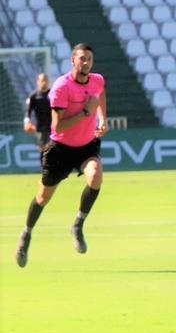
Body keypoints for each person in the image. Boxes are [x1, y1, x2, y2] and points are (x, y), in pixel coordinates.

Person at [15, 44, 108, 268]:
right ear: (72, 60)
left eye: (89, 59)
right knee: (42, 198)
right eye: (82, 59)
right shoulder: (61, 87)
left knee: (95, 176)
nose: (86, 63)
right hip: (60, 149)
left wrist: (102, 118)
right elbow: (60, 126)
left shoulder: (97, 80)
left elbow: (100, 94)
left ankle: (78, 224)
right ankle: (26, 234)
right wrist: (87, 111)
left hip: (86, 146)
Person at [23, 73, 52, 147]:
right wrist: (27, 121)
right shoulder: (33, 96)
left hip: (52, 128)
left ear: (48, 81)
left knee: (53, 150)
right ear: (38, 81)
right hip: (39, 128)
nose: (44, 82)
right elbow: (27, 111)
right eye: (42, 80)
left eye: (45, 80)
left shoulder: (53, 94)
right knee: (43, 151)